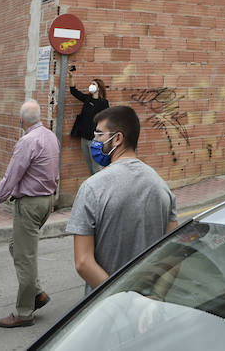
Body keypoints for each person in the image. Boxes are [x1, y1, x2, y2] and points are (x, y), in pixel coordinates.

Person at [67, 105, 178, 295]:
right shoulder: (161, 187)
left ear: (117, 138)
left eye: (100, 135)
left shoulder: (92, 188)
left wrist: (122, 300)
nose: (94, 141)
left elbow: (83, 262)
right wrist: (154, 298)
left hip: (106, 308)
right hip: (147, 307)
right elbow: (173, 254)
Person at [0, 100, 60, 329]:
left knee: (25, 258)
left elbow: (10, 177)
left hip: (31, 204)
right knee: (17, 247)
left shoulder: (27, 141)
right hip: (46, 201)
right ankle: (37, 293)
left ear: (21, 120)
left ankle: (24, 313)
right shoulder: (50, 136)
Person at [69, 75, 110, 174]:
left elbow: (107, 120)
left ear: (98, 88)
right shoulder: (87, 98)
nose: (91, 86)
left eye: (93, 84)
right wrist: (71, 78)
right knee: (90, 165)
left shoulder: (103, 103)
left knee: (96, 167)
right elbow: (74, 92)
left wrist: (101, 136)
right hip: (84, 138)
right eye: (91, 84)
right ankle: (94, 187)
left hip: (95, 139)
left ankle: (100, 187)